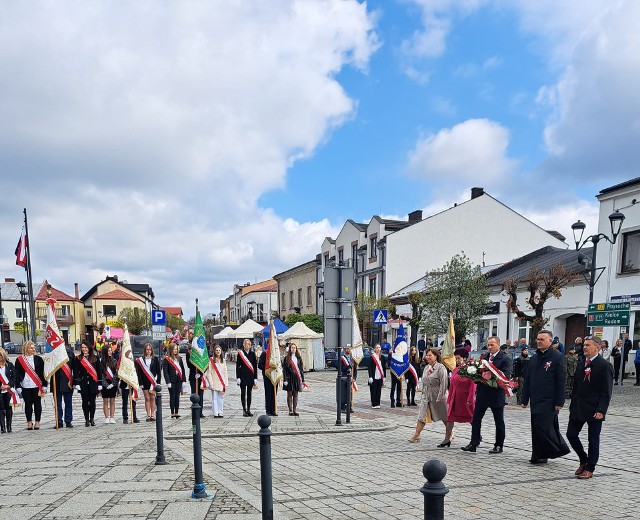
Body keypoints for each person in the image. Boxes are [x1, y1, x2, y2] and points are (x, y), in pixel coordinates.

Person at [566, 335, 614, 479]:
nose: (584, 347)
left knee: (593, 440)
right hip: (579, 407)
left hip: (595, 409)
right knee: (571, 434)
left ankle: (590, 467)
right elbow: (576, 386)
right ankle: (583, 458)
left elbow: (607, 391)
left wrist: (601, 410)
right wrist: (572, 404)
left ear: (597, 348)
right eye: (584, 345)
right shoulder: (581, 363)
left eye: (588, 345)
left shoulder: (604, 366)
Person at [521, 330, 570, 464]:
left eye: (542, 339)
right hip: (536, 399)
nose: (539, 341)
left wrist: (559, 401)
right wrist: (524, 399)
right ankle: (538, 454)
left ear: (550, 341)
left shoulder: (558, 357)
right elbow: (528, 380)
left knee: (545, 428)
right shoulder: (534, 358)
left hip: (549, 400)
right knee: (536, 427)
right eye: (537, 339)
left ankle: (558, 449)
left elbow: (561, 381)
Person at [462, 336, 511, 454]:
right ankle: (474, 443)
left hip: (496, 394)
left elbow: (505, 376)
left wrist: (491, 378)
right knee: (476, 419)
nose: (489, 347)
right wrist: (476, 377)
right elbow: (478, 372)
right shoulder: (485, 357)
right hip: (483, 394)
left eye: (492, 345)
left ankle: (499, 445)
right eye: (488, 345)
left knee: (498, 421)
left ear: (498, 345)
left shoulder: (505, 359)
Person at [408, 348, 448, 443]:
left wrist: (440, 397)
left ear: (436, 356)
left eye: (430, 355)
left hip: (438, 394)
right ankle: (416, 435)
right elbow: (425, 382)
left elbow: (444, 383)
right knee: (422, 415)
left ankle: (449, 433)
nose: (428, 357)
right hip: (427, 395)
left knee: (444, 416)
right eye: (427, 355)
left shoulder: (441, 368)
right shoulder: (426, 367)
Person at [439, 348, 475, 447]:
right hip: (455, 398)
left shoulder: (471, 369)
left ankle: (477, 436)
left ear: (464, 358)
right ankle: (447, 439)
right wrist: (450, 398)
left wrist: (470, 399)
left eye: (458, 358)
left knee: (471, 418)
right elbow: (452, 385)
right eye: (456, 358)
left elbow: (473, 385)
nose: (457, 360)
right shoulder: (456, 369)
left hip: (465, 399)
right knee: (450, 418)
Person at [15, 340, 48, 430]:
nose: (33, 349)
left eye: (34, 347)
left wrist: (44, 384)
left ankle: (37, 422)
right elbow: (17, 374)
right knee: (28, 404)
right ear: (26, 348)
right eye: (31, 348)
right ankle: (29, 422)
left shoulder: (38, 359)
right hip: (25, 385)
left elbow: (43, 373)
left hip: (36, 385)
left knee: (37, 404)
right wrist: (17, 386)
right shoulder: (19, 360)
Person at [73, 340, 101, 427]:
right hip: (83, 383)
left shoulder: (95, 358)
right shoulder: (78, 358)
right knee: (85, 402)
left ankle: (92, 418)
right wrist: (77, 382)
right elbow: (76, 371)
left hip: (93, 383)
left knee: (92, 402)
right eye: (82, 348)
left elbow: (99, 371)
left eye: (85, 347)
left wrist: (99, 383)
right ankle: (86, 419)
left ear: (89, 348)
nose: (84, 349)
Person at [136, 343, 161, 421]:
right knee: (147, 398)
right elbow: (138, 372)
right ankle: (148, 415)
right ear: (144, 350)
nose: (148, 351)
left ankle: (152, 415)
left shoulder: (155, 359)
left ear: (152, 350)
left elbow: (158, 371)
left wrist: (158, 381)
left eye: (150, 349)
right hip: (144, 381)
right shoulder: (140, 360)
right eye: (147, 349)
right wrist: (140, 383)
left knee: (152, 397)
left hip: (153, 381)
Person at [163, 342, 186, 419]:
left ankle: (177, 412)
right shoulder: (166, 359)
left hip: (179, 380)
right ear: (170, 350)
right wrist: (168, 382)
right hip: (171, 380)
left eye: (176, 349)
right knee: (172, 397)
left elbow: (182, 370)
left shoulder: (179, 359)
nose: (175, 351)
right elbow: (165, 371)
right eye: (174, 349)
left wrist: (183, 380)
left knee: (177, 397)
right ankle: (172, 412)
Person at [54, 343, 75, 428]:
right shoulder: (53, 354)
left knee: (68, 402)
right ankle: (59, 421)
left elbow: (74, 368)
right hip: (57, 382)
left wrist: (75, 381)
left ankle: (68, 420)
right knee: (58, 404)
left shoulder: (70, 353)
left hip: (67, 381)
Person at [283, 343, 306, 416]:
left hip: (297, 378)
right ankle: (290, 410)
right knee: (289, 394)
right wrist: (285, 379)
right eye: (292, 348)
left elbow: (301, 370)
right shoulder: (286, 358)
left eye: (295, 348)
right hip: (289, 378)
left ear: (296, 349)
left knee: (295, 394)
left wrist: (302, 380)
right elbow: (284, 370)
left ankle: (295, 410)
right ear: (290, 349)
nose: (293, 349)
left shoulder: (298, 358)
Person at [236, 338, 258, 417]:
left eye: (249, 344)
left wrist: (255, 378)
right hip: (242, 376)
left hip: (250, 376)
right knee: (243, 393)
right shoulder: (240, 354)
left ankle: (248, 409)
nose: (247, 345)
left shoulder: (252, 354)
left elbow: (255, 366)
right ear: (243, 345)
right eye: (246, 344)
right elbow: (238, 366)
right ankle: (244, 410)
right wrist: (238, 377)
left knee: (249, 393)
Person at [257, 342, 278, 416]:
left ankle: (274, 410)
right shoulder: (264, 353)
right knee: (268, 393)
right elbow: (260, 365)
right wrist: (267, 368)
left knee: (274, 393)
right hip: (267, 376)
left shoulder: (276, 354)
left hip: (275, 376)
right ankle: (268, 410)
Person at [100, 344, 118, 424]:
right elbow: (101, 374)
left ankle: (112, 417)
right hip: (105, 384)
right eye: (109, 351)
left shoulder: (114, 361)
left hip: (112, 384)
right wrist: (106, 385)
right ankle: (106, 417)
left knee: (112, 400)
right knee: (105, 401)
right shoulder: (101, 362)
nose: (110, 352)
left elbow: (116, 374)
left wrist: (113, 383)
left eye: (111, 350)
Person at [0, 347, 17, 433]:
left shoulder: (9, 365)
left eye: (1, 355)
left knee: (8, 408)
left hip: (8, 390)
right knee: (1, 409)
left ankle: (9, 426)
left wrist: (8, 385)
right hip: (0, 390)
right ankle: (2, 427)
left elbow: (14, 377)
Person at [208, 344, 228, 418]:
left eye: (219, 350)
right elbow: (209, 372)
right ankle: (215, 412)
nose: (218, 351)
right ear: (214, 351)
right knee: (214, 398)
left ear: (221, 351)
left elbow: (225, 372)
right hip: (214, 381)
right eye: (216, 350)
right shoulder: (211, 360)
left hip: (221, 382)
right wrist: (211, 383)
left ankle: (220, 412)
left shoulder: (224, 361)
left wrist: (226, 383)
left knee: (221, 398)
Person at [187, 347, 205, 417]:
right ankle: (194, 412)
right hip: (193, 376)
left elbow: (206, 364)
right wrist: (194, 359)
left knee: (201, 394)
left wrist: (201, 372)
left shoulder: (202, 352)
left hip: (201, 376)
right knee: (194, 394)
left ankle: (200, 412)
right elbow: (189, 365)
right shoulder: (189, 353)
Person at [339, 346, 357, 412]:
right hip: (344, 378)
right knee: (344, 393)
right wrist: (349, 366)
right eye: (347, 348)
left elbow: (355, 369)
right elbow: (341, 369)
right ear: (344, 349)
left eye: (349, 348)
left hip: (351, 378)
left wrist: (354, 377)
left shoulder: (352, 359)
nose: (348, 349)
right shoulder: (342, 358)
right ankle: (343, 407)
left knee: (350, 393)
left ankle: (349, 407)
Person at [368, 343, 385, 408]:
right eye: (377, 348)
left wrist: (384, 376)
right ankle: (374, 403)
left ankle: (378, 403)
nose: (378, 349)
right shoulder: (372, 357)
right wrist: (370, 376)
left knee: (379, 390)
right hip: (374, 376)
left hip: (380, 376)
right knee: (373, 390)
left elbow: (384, 368)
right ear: (375, 349)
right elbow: (370, 367)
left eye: (379, 347)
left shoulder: (382, 357)